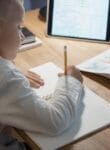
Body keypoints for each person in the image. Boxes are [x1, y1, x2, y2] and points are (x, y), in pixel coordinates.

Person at [0, 0, 84, 138]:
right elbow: (55, 122)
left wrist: (9, 69)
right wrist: (72, 82)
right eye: (18, 27)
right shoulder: (5, 77)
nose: (22, 36)